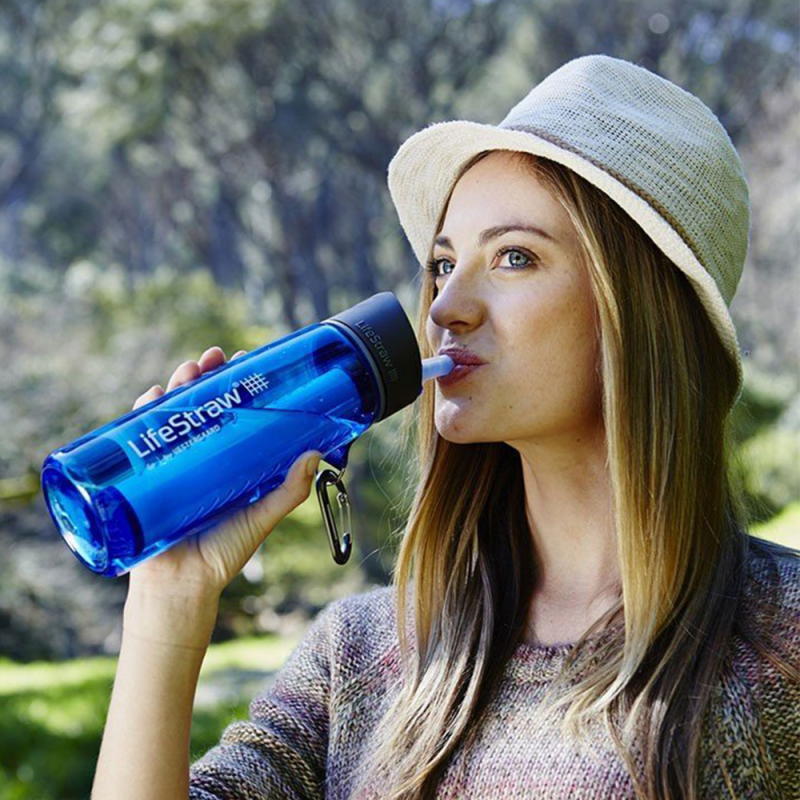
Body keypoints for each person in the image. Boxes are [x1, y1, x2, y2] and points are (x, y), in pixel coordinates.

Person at [91, 54, 799, 800]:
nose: (443, 308)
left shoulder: (781, 639)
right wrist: (168, 602)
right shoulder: (357, 659)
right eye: (441, 263)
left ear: (639, 311)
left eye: (515, 257)